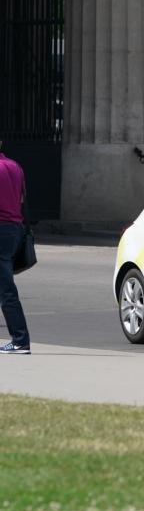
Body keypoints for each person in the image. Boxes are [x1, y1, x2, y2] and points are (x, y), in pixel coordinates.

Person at [0, 140, 31, 354]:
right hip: (14, 228)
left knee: (6, 289)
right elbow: (22, 199)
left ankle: (20, 340)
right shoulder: (15, 166)